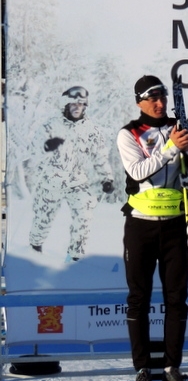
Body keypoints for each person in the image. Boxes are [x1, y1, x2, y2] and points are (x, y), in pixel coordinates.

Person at [117, 75, 188, 381]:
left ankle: (172, 368)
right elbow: (139, 172)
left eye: (162, 98)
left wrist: (186, 147)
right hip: (140, 226)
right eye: (152, 98)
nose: (159, 104)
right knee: (138, 300)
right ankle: (142, 369)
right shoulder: (129, 133)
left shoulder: (179, 128)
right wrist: (172, 147)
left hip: (176, 225)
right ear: (139, 102)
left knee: (177, 300)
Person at [28, 86, 114, 261]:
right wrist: (46, 146)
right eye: (73, 103)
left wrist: (107, 178)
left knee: (85, 214)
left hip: (77, 182)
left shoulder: (91, 129)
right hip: (51, 181)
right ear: (65, 105)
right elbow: (32, 153)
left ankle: (75, 258)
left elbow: (100, 156)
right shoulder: (51, 125)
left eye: (81, 104)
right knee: (43, 220)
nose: (77, 107)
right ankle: (34, 249)